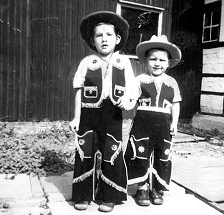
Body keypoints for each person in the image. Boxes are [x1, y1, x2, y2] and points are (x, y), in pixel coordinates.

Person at [69, 11, 136, 212]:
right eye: (99, 35)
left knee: (112, 153)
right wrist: (76, 117)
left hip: (112, 115)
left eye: (109, 35)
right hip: (88, 116)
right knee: (85, 153)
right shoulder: (87, 63)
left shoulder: (123, 63)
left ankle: (109, 196)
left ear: (117, 39)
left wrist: (128, 100)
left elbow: (132, 90)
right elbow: (79, 92)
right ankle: (82, 195)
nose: (104, 39)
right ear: (93, 40)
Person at [125, 35, 182, 206]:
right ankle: (142, 187)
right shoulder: (139, 80)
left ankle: (156, 188)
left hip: (164, 123)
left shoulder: (172, 82)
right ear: (145, 61)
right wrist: (124, 103)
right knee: (140, 153)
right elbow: (132, 100)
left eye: (162, 60)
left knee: (161, 154)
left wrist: (174, 123)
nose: (157, 63)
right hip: (143, 122)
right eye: (153, 59)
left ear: (169, 63)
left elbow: (175, 104)